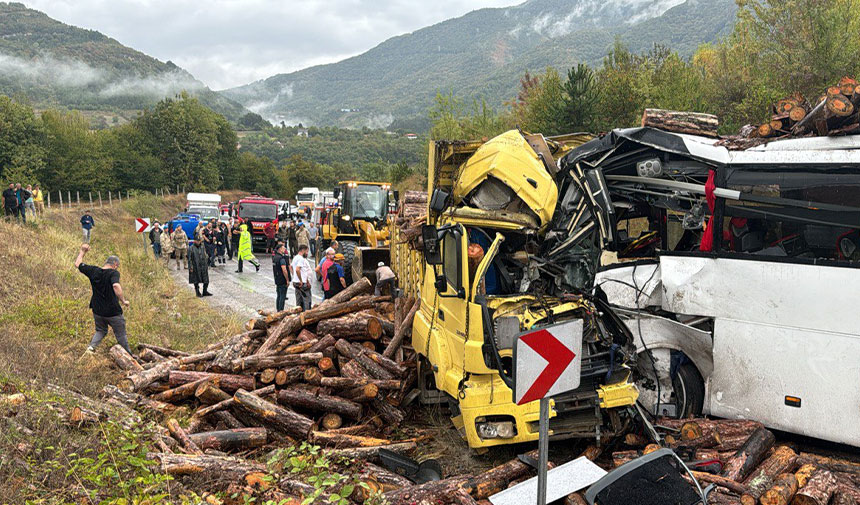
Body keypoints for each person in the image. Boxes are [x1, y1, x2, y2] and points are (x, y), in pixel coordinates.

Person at [75, 243, 131, 354]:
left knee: (100, 330)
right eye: (117, 266)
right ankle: (129, 356)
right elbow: (116, 286)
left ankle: (90, 349)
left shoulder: (93, 271)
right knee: (120, 335)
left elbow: (77, 264)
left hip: (97, 310)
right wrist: (123, 301)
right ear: (115, 264)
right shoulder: (113, 273)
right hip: (112, 311)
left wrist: (82, 251)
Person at [291, 244, 313, 310]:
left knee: (299, 301)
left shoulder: (295, 257)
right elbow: (298, 269)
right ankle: (307, 315)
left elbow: (291, 267)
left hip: (296, 282)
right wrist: (301, 280)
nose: (307, 253)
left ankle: (298, 315)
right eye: (306, 251)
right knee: (307, 300)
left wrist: (294, 276)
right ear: (303, 250)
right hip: (302, 283)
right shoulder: (301, 259)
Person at [272, 241, 290, 311]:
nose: (284, 248)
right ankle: (281, 311)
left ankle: (278, 310)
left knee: (279, 296)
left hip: (277, 279)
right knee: (282, 296)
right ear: (279, 249)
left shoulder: (275, 258)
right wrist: (287, 280)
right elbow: (284, 270)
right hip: (282, 279)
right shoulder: (281, 259)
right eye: (283, 247)